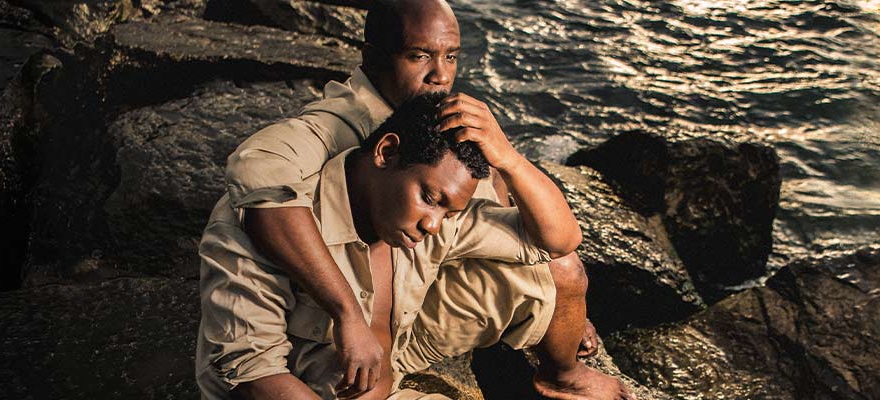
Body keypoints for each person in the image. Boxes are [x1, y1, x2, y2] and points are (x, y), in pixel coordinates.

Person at [196, 0, 632, 398]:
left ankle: (560, 373)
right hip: (330, 352)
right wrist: (346, 312)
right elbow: (259, 184)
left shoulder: (435, 146)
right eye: (419, 55)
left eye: (451, 57)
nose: (440, 74)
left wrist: (509, 158)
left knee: (557, 271)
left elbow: (542, 234)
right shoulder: (333, 131)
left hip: (405, 317)